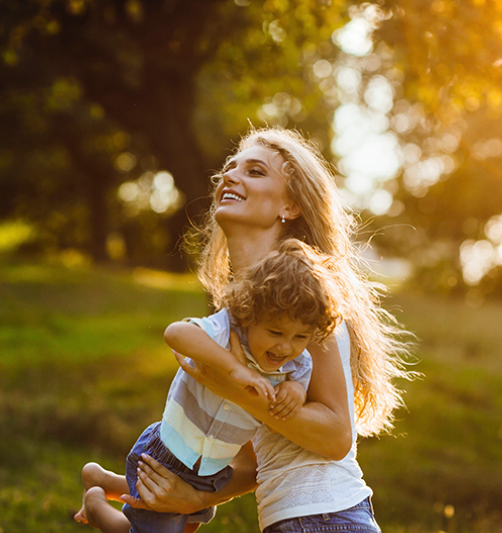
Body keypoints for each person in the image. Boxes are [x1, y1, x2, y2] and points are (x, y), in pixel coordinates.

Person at [87, 128, 415, 532]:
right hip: (283, 520)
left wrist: (233, 383)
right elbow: (253, 457)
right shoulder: (241, 312)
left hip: (329, 517)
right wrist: (197, 498)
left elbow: (335, 437)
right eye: (228, 170)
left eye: (255, 171)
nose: (230, 177)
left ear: (291, 206)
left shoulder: (304, 295)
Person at [75, 238, 343, 533]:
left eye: (300, 337)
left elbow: (302, 372)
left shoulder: (297, 362)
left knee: (176, 527)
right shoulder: (227, 328)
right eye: (275, 331)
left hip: (212, 470)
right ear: (250, 314)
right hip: (170, 454)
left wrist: (295, 391)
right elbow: (176, 334)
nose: (285, 346)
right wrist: (235, 370)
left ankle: (105, 481)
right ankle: (97, 504)